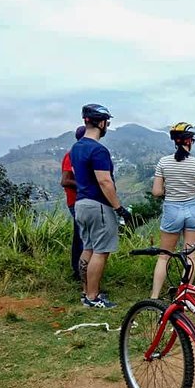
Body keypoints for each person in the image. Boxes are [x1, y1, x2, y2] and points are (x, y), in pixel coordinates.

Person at [71, 104, 131, 308]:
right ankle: (93, 297)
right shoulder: (98, 150)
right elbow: (105, 182)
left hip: (81, 204)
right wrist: (118, 208)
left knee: (88, 247)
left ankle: (86, 292)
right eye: (107, 122)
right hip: (98, 206)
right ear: (101, 122)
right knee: (101, 251)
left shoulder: (76, 147)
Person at [150, 122, 195, 298]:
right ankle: (184, 296)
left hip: (172, 208)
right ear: (190, 141)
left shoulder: (164, 162)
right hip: (193, 209)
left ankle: (154, 297)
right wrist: (194, 191)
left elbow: (156, 192)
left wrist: (169, 191)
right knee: (190, 255)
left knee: (164, 256)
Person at [60, 126, 86, 281]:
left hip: (82, 201)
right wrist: (85, 184)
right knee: (82, 237)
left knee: (80, 236)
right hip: (76, 201)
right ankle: (79, 273)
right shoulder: (71, 156)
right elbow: (65, 180)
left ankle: (78, 271)